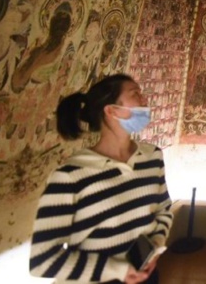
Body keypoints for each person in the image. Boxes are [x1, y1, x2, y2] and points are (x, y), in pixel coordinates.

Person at [30, 74, 173, 284]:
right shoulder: (71, 175)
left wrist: (155, 247)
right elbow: (43, 260)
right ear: (111, 110)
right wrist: (116, 270)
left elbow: (164, 209)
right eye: (136, 94)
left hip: (145, 276)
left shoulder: (152, 157)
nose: (145, 101)